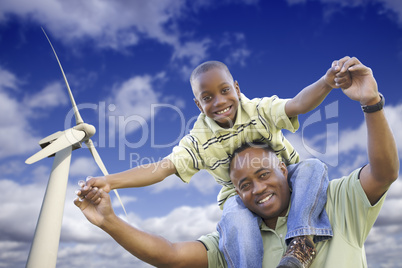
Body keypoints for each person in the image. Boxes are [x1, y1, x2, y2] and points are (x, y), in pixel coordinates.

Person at [75, 57, 399, 268]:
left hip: (299, 181)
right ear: (197, 103)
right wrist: (111, 183)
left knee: (314, 167)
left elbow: (298, 104)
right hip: (235, 203)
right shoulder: (200, 139)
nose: (219, 102)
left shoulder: (259, 111)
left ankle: (301, 240)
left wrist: (332, 83)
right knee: (235, 216)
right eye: (207, 98)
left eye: (225, 90)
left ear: (238, 89)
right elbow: (163, 169)